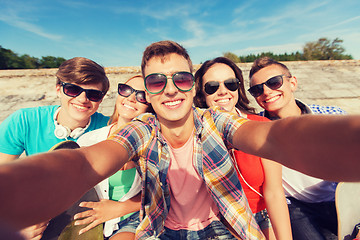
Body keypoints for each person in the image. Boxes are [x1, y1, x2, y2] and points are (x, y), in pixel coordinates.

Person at [1, 40, 360, 240]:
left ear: (193, 85)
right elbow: (89, 161)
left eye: (181, 79)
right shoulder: (142, 130)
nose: (170, 89)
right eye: (156, 81)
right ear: (148, 91)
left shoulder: (217, 122)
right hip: (159, 230)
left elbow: (271, 137)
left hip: (222, 226)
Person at [0, 56, 110, 239]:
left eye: (93, 94)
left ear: (101, 99)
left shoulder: (109, 128)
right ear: (58, 89)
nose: (83, 99)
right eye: (73, 89)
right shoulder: (24, 121)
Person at [194, 56, 292, 240]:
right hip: (219, 222)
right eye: (212, 87)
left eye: (230, 84)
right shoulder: (194, 135)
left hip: (263, 216)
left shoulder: (261, 126)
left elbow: (274, 192)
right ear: (201, 93)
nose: (223, 91)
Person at [248, 56, 346, 240]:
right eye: (257, 89)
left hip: (340, 199)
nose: (267, 92)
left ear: (292, 82)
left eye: (274, 83)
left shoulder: (332, 116)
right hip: (296, 207)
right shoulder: (256, 129)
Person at [75, 75, 151, 240]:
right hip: (91, 218)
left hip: (133, 218)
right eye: (126, 90)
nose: (131, 98)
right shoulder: (89, 140)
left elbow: (163, 193)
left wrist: (119, 208)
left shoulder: (155, 143)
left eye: (141, 96)